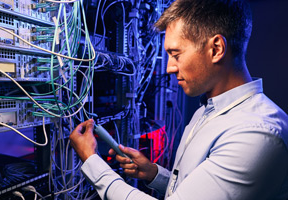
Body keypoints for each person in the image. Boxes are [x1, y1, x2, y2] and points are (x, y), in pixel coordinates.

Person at [69, 0, 288, 199]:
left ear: (216, 49)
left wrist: (92, 163)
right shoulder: (210, 109)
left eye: (176, 54)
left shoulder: (256, 135)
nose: (170, 67)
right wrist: (155, 174)